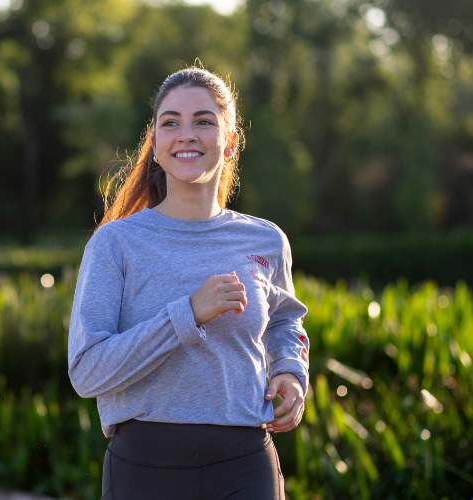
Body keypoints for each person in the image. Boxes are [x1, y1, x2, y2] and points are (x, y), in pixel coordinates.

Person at [67, 67, 309, 500]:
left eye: (203, 121)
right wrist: (187, 314)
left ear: (230, 141)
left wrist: (291, 373)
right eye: (170, 122)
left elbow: (284, 322)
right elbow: (87, 372)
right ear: (156, 146)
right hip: (144, 468)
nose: (186, 134)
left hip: (245, 464)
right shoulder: (115, 243)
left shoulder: (266, 240)